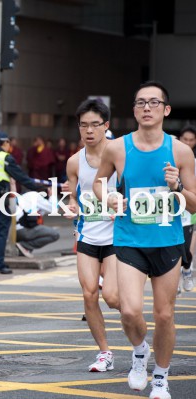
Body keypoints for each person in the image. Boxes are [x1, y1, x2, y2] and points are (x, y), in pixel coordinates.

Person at [94, 81, 196, 399]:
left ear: (165, 109)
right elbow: (98, 183)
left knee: (164, 315)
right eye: (141, 103)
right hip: (129, 238)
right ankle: (140, 352)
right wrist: (108, 196)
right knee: (129, 310)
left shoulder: (180, 150)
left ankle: (161, 379)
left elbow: (194, 202)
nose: (147, 108)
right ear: (135, 110)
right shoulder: (117, 148)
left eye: (154, 102)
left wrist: (177, 187)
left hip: (167, 240)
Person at [65, 99, 120, 373]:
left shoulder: (120, 155)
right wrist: (72, 207)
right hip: (88, 235)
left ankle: (138, 340)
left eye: (95, 125)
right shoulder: (74, 162)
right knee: (89, 296)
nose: (89, 131)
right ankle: (105, 353)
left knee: (112, 297)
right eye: (84, 125)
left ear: (106, 126)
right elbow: (73, 198)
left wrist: (119, 204)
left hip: (116, 236)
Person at [0, 131, 46, 274]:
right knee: (2, 230)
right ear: (5, 143)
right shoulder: (5, 158)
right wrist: (39, 187)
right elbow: (21, 177)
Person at [14, 190, 60, 258]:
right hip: (21, 230)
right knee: (54, 234)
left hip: (11, 231)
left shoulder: (23, 197)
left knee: (36, 227)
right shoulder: (35, 195)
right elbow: (53, 209)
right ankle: (23, 246)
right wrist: (53, 196)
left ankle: (22, 250)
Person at [178, 125, 196, 293]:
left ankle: (187, 269)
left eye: (191, 140)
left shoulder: (194, 163)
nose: (188, 143)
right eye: (185, 139)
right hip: (170, 212)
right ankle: (174, 280)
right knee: (173, 248)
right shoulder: (171, 158)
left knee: (185, 249)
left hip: (188, 212)